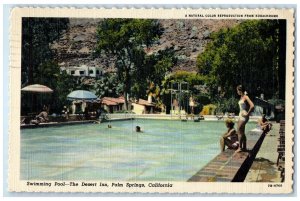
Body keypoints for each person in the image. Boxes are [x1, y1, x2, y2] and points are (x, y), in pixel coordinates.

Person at [236, 85, 254, 152]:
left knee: (239, 131)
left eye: (237, 90)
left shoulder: (246, 97)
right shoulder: (241, 97)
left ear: (240, 90)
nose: (237, 92)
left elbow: (252, 106)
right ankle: (244, 147)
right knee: (242, 131)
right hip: (241, 115)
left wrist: (247, 114)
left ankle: (240, 148)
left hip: (244, 116)